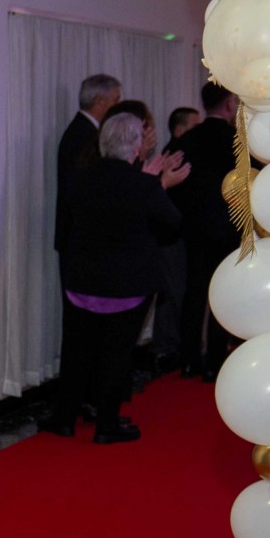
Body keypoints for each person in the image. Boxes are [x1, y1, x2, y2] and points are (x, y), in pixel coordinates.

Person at [61, 107, 186, 441]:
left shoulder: (80, 177)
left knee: (77, 352)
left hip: (81, 280)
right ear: (136, 146)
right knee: (115, 355)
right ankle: (106, 426)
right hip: (126, 286)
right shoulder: (142, 184)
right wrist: (158, 184)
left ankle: (65, 418)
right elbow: (172, 223)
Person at [45, 73, 121, 435]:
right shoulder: (83, 136)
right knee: (80, 333)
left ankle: (82, 402)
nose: (117, 108)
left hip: (81, 247)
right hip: (81, 248)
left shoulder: (83, 133)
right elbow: (84, 197)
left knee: (85, 333)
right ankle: (74, 406)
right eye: (116, 101)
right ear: (101, 102)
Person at [165, 82, 243, 380]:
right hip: (228, 228)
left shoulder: (187, 140)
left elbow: (174, 185)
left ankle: (189, 360)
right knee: (223, 294)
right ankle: (214, 362)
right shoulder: (238, 141)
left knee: (194, 292)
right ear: (229, 104)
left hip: (194, 229)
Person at [147, 107, 201, 374]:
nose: (198, 131)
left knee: (172, 292)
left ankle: (167, 347)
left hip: (172, 234)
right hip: (170, 236)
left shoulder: (175, 152)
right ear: (180, 129)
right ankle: (168, 348)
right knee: (174, 292)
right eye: (194, 126)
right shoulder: (176, 154)